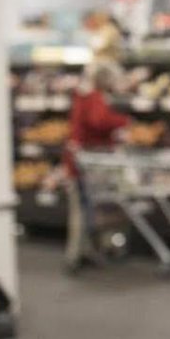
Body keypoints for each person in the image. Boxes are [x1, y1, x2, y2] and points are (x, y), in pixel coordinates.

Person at [63, 60, 130, 272]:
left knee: (85, 210)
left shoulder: (83, 95)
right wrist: (122, 121)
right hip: (84, 164)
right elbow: (98, 121)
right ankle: (75, 256)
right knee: (82, 212)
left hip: (81, 161)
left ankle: (87, 252)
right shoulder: (93, 97)